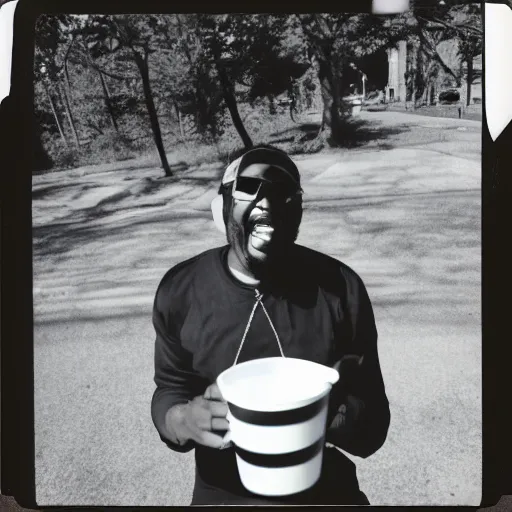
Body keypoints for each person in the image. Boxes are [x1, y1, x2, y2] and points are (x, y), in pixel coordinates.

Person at [151, 145, 390, 505]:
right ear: (224, 206)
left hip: (325, 493)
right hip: (222, 495)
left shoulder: (340, 287)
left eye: (283, 193)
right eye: (249, 187)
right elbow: (169, 389)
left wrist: (326, 416)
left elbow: (374, 428)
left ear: (299, 212)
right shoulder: (180, 290)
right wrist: (184, 419)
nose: (268, 202)